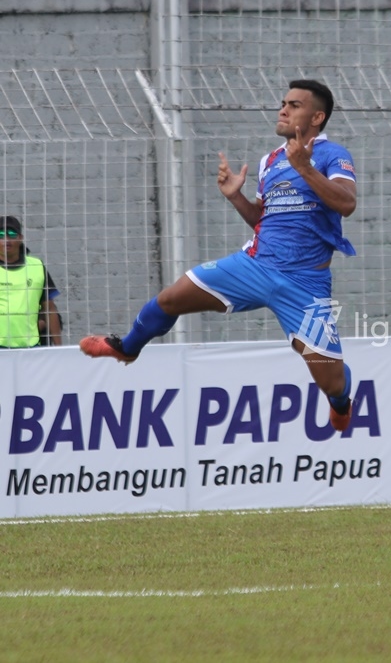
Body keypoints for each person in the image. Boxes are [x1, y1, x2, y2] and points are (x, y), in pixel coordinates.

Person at [80, 79, 357, 432]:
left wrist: (305, 168)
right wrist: (235, 197)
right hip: (254, 265)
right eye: (283, 103)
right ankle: (127, 347)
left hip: (304, 283)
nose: (283, 110)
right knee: (170, 299)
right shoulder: (270, 160)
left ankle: (341, 403)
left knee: (330, 382)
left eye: (294, 105)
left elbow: (347, 204)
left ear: (317, 117)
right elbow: (263, 220)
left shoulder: (333, 155)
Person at [0, 215, 63, 348]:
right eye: (1, 234)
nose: (6, 240)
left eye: (11, 234)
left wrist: (59, 349)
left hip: (30, 347)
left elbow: (50, 309)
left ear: (20, 238)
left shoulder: (36, 266)